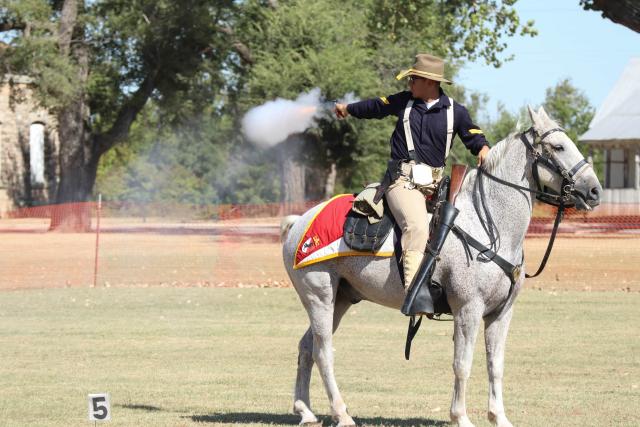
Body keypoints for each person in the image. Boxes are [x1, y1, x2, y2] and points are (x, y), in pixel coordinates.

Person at [335, 53, 490, 300]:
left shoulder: (456, 112)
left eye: (413, 79)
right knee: (417, 226)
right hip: (402, 182)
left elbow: (473, 135)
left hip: (437, 186)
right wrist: (348, 109)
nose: (410, 84)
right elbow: (375, 106)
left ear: (429, 82)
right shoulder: (403, 102)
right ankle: (414, 291)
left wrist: (483, 148)